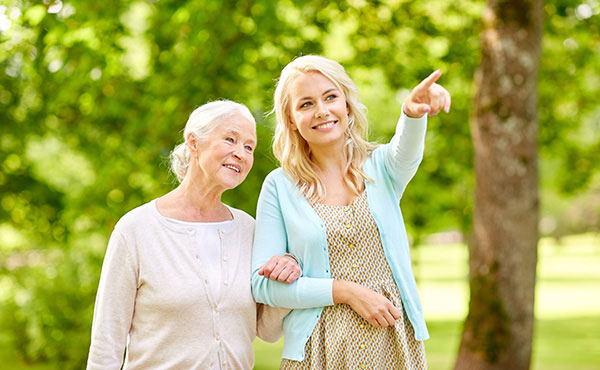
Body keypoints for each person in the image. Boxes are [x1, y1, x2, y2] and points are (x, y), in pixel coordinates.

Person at [251, 55, 451, 369]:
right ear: (290, 119)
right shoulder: (279, 186)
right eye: (305, 104)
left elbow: (408, 147)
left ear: (346, 105)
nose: (321, 110)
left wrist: (412, 112)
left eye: (330, 97)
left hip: (393, 345)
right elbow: (263, 285)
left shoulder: (383, 168)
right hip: (316, 352)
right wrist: (346, 291)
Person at [86, 100, 301, 370]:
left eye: (249, 147)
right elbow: (107, 345)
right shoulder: (136, 230)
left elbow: (267, 332)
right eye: (230, 139)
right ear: (193, 142)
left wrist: (287, 275)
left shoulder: (250, 230)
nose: (241, 153)